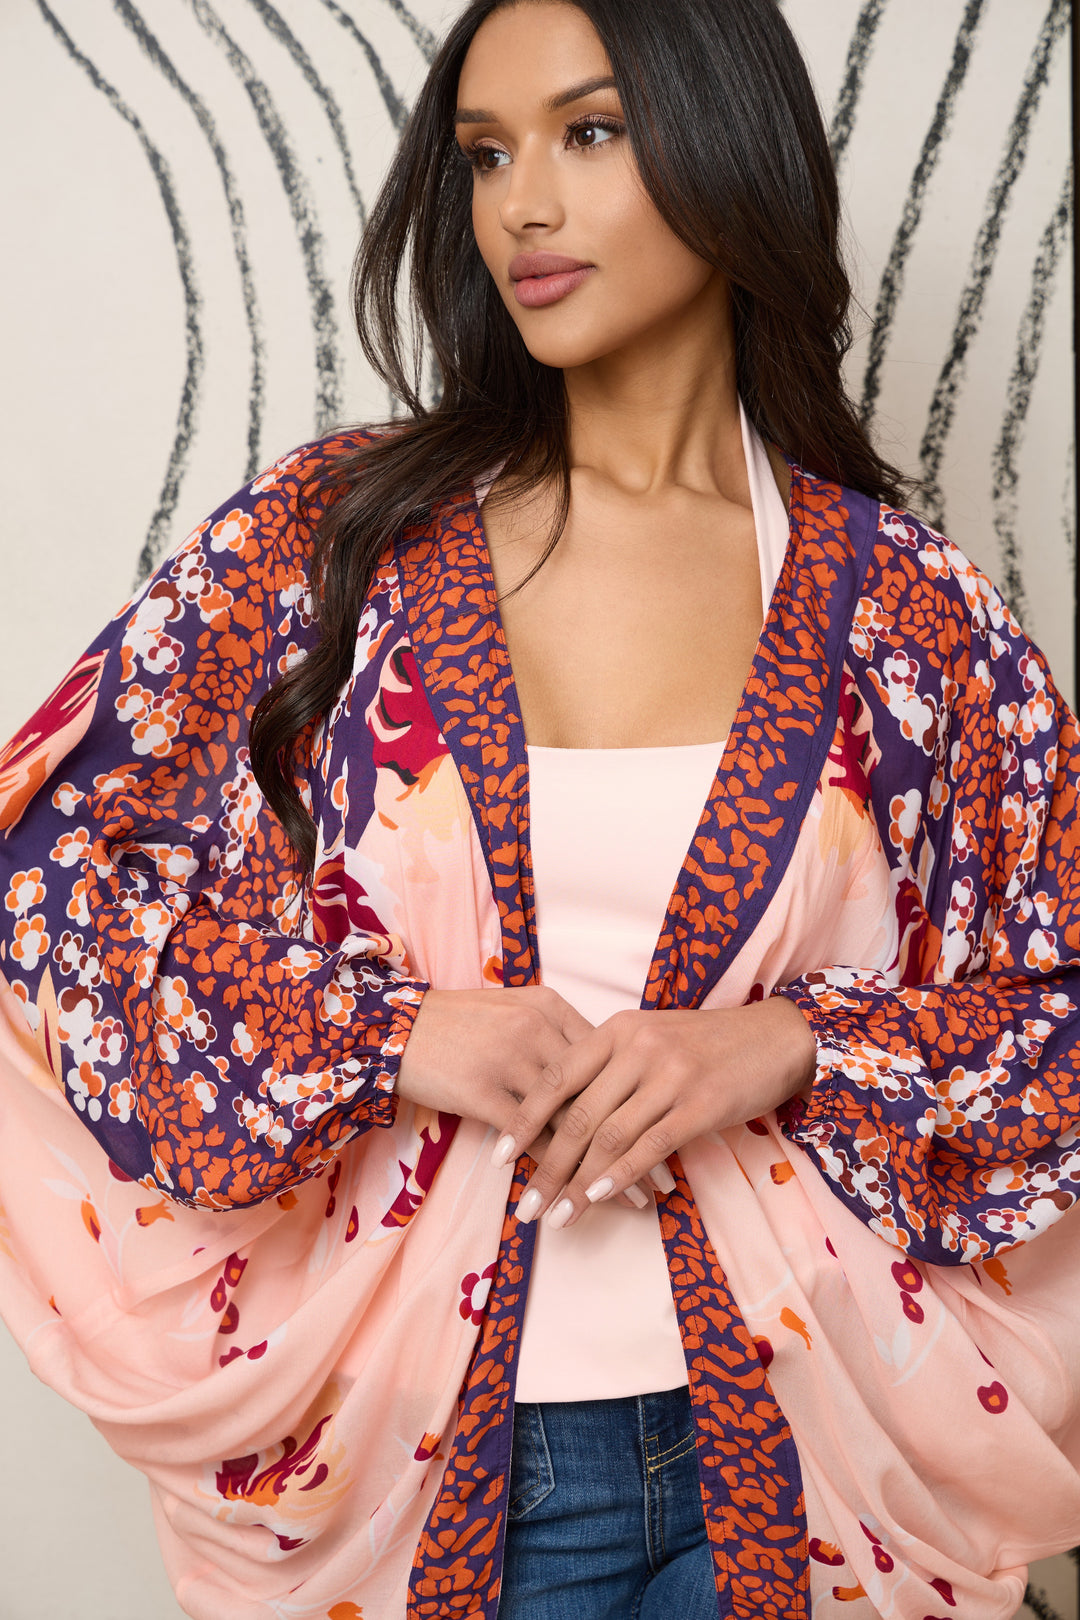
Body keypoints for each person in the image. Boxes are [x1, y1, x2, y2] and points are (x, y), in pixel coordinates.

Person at [1, 0, 1079, 1616]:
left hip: (819, 1444)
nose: (524, 204)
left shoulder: (908, 611)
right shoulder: (334, 544)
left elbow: (1055, 1012)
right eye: (487, 155)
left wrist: (787, 1045)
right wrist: (390, 1036)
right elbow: (53, 883)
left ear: (728, 144)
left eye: (589, 132)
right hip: (437, 1457)